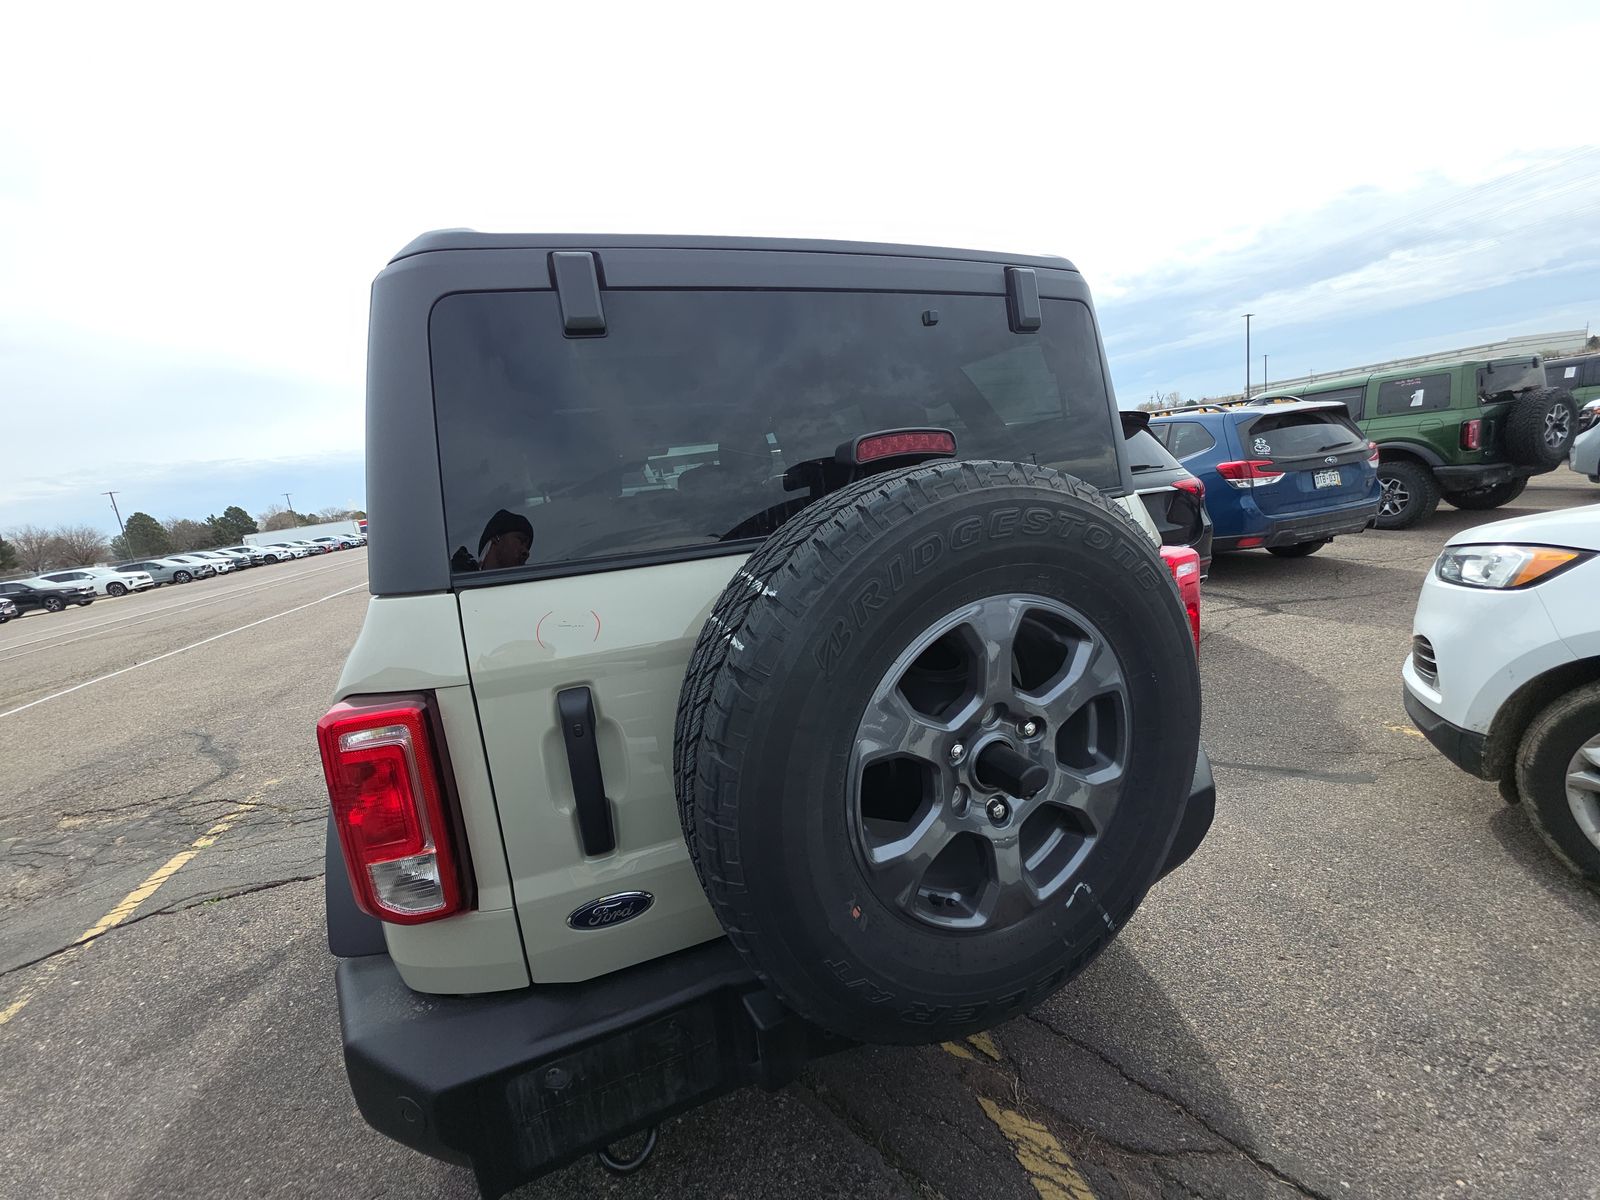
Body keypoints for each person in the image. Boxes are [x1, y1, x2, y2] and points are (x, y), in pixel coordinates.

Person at [451, 508, 533, 572]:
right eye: (521, 541)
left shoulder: (526, 589)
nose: (526, 553)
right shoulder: (456, 577)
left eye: (527, 547)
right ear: (496, 538)